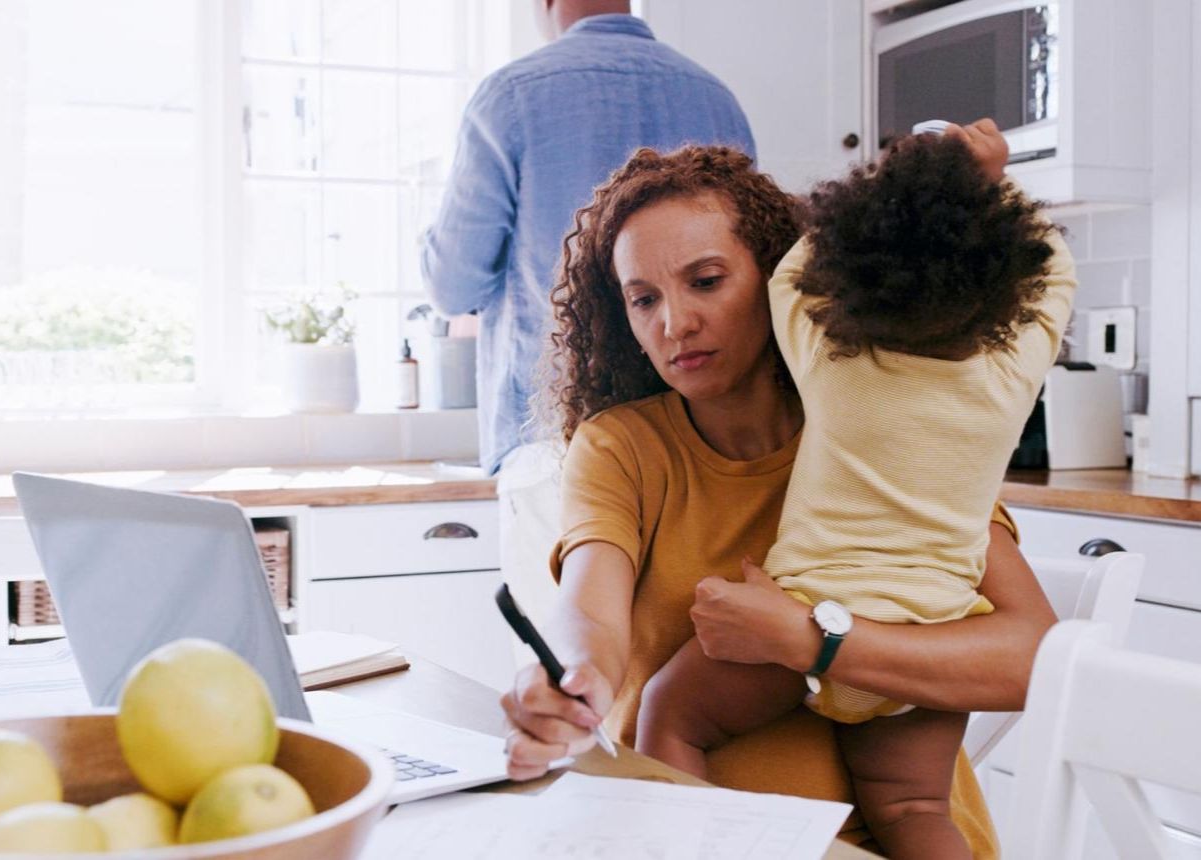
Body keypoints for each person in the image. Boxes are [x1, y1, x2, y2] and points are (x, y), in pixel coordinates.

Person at [503, 144, 1058, 857]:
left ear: (776, 278)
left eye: (706, 281)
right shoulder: (622, 447)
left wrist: (811, 640)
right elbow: (590, 613)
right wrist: (572, 677)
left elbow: (1035, 656)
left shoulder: (881, 420)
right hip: (694, 839)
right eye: (644, 299)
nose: (674, 323)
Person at [420, 0, 755, 640]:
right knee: (684, 681)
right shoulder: (716, 97)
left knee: (572, 684)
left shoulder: (510, 95)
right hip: (702, 441)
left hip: (558, 438)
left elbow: (452, 283)